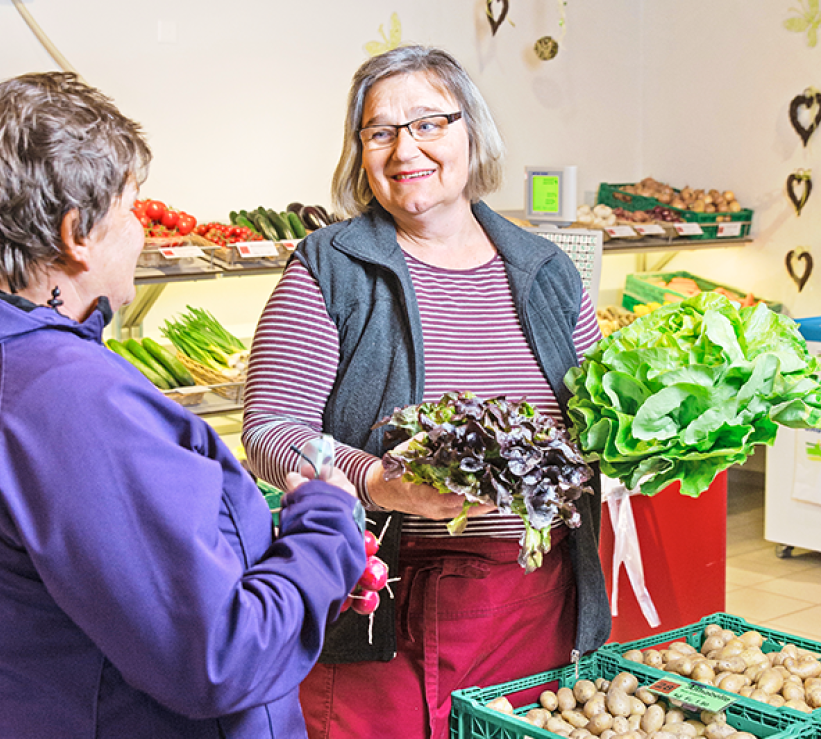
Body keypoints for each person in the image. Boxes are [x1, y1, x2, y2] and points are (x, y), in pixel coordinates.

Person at [0, 72, 366, 739]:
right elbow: (217, 659)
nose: (140, 230)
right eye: (131, 208)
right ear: (77, 234)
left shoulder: (5, 362)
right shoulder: (65, 399)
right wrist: (326, 526)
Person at [243, 45, 611, 738]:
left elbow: (596, 422)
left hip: (535, 597)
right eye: (379, 132)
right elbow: (269, 429)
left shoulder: (546, 271)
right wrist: (378, 479)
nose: (403, 148)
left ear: (473, 133)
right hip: (385, 602)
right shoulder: (331, 268)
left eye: (428, 124)